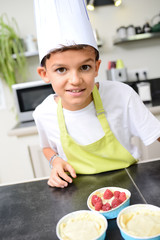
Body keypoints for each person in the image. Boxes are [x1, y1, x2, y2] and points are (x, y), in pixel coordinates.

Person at [33, 0, 160, 188]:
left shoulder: (122, 95)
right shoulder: (43, 113)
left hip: (131, 185)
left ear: (96, 68)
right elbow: (46, 147)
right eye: (61, 70)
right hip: (78, 193)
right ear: (44, 74)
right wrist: (55, 161)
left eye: (84, 67)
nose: (75, 80)